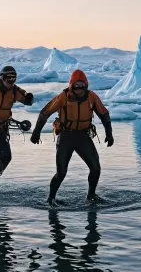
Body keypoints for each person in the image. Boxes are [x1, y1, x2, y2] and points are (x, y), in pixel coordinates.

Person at [30, 69, 113, 205]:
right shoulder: (63, 96)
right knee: (61, 173)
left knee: (96, 168)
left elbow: (104, 115)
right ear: (71, 86)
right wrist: (36, 133)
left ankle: (91, 195)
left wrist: (109, 134)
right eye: (76, 86)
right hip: (66, 137)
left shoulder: (92, 96)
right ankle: (51, 199)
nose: (79, 89)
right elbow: (45, 113)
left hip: (83, 137)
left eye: (82, 86)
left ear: (86, 86)